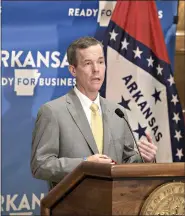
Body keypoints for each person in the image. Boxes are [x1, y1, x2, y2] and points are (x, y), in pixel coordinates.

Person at [31, 37, 157, 188]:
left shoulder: (118, 112)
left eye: (100, 62)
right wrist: (85, 164)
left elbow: (126, 162)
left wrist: (144, 159)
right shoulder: (53, 112)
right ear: (73, 70)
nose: (96, 69)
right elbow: (40, 165)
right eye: (88, 63)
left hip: (115, 204)